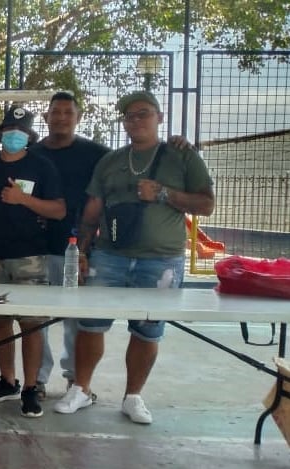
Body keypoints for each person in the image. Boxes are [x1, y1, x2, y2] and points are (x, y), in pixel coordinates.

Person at [56, 91, 215, 423]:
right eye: (130, 116)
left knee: (147, 330)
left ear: (159, 117)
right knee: (90, 324)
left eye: (144, 113)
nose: (136, 120)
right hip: (109, 256)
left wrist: (164, 193)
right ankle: (81, 388)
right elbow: (92, 210)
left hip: (161, 261)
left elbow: (206, 204)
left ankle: (133, 396)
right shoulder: (111, 161)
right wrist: (82, 252)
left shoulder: (181, 156)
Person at [0, 105, 65, 418]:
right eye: (10, 130)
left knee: (31, 323)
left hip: (30, 254)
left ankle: (31, 388)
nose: (14, 135)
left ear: (29, 136)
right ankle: (8, 381)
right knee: (0, 320)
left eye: (21, 131)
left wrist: (23, 199)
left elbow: (58, 210)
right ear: (0, 134)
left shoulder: (42, 165)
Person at [29, 92, 111, 397]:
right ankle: (36, 379)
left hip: (77, 249)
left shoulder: (97, 154)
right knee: (36, 319)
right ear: (46, 117)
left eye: (68, 112)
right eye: (56, 112)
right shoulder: (32, 154)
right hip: (37, 247)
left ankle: (76, 381)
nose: (61, 117)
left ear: (78, 117)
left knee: (75, 320)